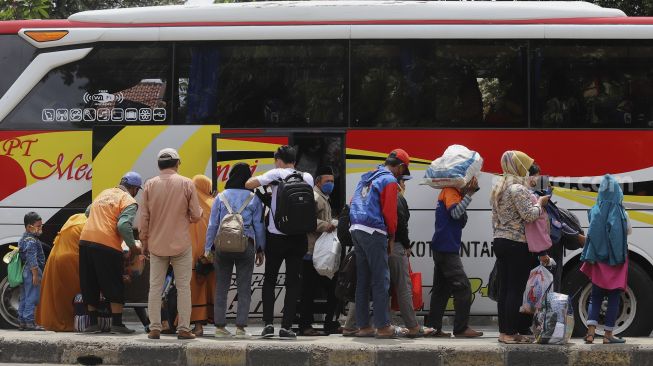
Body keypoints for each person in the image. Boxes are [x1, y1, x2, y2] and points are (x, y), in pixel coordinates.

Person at [245, 145, 314, 339]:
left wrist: (270, 184)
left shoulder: (276, 173)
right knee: (293, 283)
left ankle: (268, 325)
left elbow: (249, 184)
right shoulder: (306, 177)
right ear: (294, 161)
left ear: (278, 159)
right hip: (298, 237)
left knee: (270, 280)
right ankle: (287, 327)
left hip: (276, 237)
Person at [141, 148, 203, 340]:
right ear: (177, 164)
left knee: (155, 287)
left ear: (159, 165)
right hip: (181, 245)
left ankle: (155, 328)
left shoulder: (149, 185)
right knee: (184, 286)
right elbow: (195, 215)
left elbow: (144, 217)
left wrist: (144, 242)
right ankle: (184, 329)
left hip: (157, 244)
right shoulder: (187, 183)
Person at [490, 151, 550, 344]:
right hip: (516, 243)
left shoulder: (499, 187)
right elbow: (530, 215)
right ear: (520, 167)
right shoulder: (518, 188)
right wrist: (540, 203)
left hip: (500, 241)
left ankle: (504, 332)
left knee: (505, 289)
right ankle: (510, 332)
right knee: (515, 289)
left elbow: (495, 219)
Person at [349, 148, 410, 339]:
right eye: (404, 170)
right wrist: (391, 237)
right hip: (374, 231)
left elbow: (352, 202)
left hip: (356, 228)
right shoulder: (389, 180)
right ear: (399, 167)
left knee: (363, 279)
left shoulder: (367, 177)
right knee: (381, 278)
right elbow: (390, 214)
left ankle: (364, 326)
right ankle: (383, 326)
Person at [205, 163, 266, 338]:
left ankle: (219, 327)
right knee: (244, 287)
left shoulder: (221, 197)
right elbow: (259, 227)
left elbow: (212, 225)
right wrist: (261, 249)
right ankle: (240, 328)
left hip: (222, 246)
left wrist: (208, 248)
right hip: (245, 244)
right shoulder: (253, 198)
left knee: (221, 287)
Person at [79, 172, 142, 334]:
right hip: (107, 244)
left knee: (90, 281)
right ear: (134, 189)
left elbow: (87, 212)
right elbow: (123, 225)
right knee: (114, 282)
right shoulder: (129, 200)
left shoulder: (104, 193)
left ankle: (92, 324)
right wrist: (133, 247)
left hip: (85, 240)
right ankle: (117, 324)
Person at [428, 176, 483, 338]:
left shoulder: (454, 194)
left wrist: (466, 195)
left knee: (441, 290)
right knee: (464, 287)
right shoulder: (450, 191)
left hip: (442, 247)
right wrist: (469, 195)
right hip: (446, 249)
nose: (470, 187)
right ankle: (460, 328)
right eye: (468, 185)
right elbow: (456, 213)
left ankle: (433, 328)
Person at [581, 174, 630, 344]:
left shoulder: (595, 209)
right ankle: (608, 335)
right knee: (614, 297)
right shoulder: (620, 212)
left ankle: (590, 333)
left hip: (598, 260)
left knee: (595, 296)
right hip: (615, 261)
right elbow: (626, 233)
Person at [390, 176, 435, 338]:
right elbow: (401, 225)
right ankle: (413, 326)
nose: (404, 185)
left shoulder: (379, 195)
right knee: (404, 287)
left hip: (380, 245)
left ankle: (378, 324)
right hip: (395, 246)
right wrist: (407, 245)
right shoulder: (398, 197)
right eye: (403, 182)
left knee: (383, 286)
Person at [299, 166, 341, 336]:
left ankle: (328, 323)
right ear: (318, 182)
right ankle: (307, 326)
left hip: (320, 253)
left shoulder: (324, 197)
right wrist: (327, 225)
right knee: (310, 291)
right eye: (327, 181)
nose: (330, 184)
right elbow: (306, 220)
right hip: (312, 252)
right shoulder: (315, 197)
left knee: (331, 288)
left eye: (332, 181)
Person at [36, 213, 87, 331]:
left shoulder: (74, 219)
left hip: (55, 256)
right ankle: (69, 322)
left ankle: (53, 321)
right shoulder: (87, 224)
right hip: (71, 258)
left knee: (56, 292)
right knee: (71, 294)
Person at [188, 175, 216, 337]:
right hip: (211, 254)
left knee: (195, 290)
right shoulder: (214, 203)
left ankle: (197, 326)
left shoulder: (188, 204)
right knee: (212, 287)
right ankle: (218, 324)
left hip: (191, 254)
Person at [17, 212, 46, 331]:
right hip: (32, 271)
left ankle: (22, 322)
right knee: (32, 297)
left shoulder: (23, 238)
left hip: (25, 270)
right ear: (29, 227)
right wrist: (35, 274)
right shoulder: (32, 241)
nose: (40, 228)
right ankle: (29, 322)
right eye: (38, 226)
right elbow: (31, 257)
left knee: (24, 297)